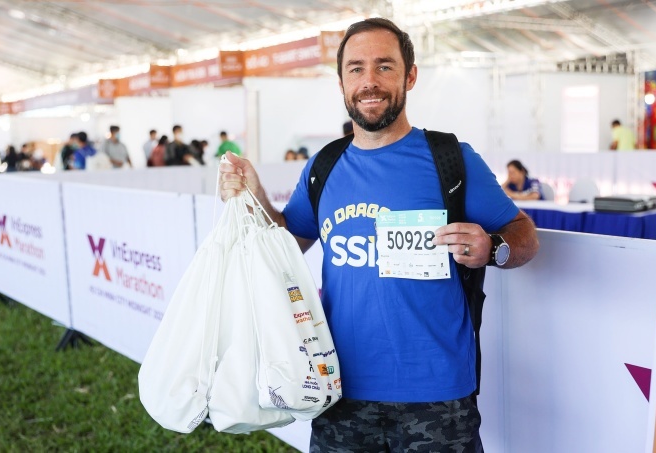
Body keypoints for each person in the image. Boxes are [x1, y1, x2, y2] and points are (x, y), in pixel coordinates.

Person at [220, 18, 539, 452]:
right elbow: (286, 244)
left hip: (438, 396)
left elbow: (524, 234)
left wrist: (494, 248)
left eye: (384, 66)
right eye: (356, 68)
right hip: (338, 390)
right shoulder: (323, 167)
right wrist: (254, 198)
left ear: (410, 76)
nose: (369, 81)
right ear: (341, 82)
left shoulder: (451, 159)